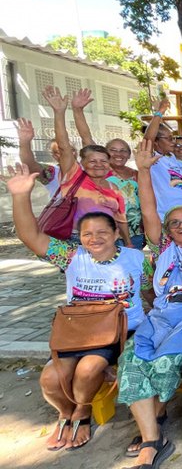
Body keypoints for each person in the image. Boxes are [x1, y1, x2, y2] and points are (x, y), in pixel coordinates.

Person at [8, 163, 145, 452]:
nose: (94, 238)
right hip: (76, 330)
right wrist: (20, 196)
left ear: (116, 233)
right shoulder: (72, 256)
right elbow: (30, 237)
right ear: (79, 238)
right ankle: (65, 411)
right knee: (50, 379)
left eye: (102, 232)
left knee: (88, 368)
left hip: (117, 331)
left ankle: (81, 410)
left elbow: (158, 284)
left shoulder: (136, 259)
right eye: (87, 234)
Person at [117, 140, 182, 468]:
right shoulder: (163, 249)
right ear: (168, 229)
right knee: (132, 362)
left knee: (164, 364)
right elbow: (149, 210)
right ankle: (153, 437)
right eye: (174, 222)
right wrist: (144, 171)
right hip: (161, 316)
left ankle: (153, 426)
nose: (181, 226)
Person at [41, 86, 131, 246]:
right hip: (79, 241)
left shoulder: (112, 184)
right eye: (92, 161)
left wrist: (128, 242)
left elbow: (120, 217)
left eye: (103, 161)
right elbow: (63, 146)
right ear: (82, 163)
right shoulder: (74, 177)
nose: (98, 165)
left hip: (111, 240)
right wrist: (59, 112)